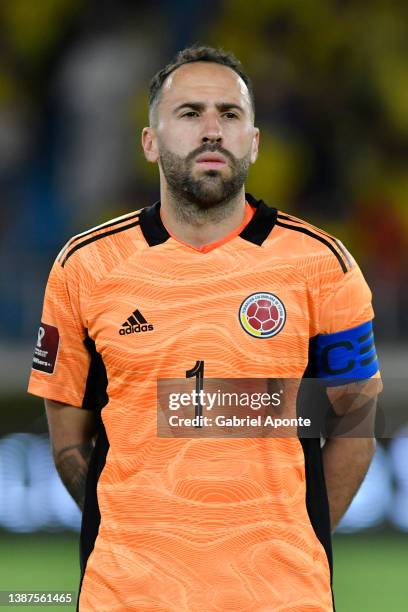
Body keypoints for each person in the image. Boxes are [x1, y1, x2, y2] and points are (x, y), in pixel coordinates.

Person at [28, 46, 381, 611]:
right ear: (150, 141)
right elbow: (69, 433)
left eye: (230, 114)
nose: (211, 130)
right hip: (126, 598)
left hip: (283, 598)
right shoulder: (84, 266)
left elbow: (354, 428)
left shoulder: (322, 264)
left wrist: (291, 542)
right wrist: (134, 534)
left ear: (255, 142)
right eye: (190, 113)